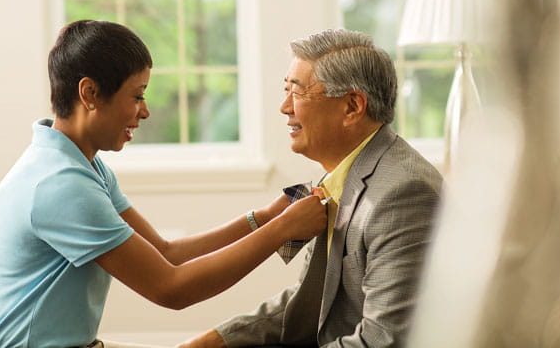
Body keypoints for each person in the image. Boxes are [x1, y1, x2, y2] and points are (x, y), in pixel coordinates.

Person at [0, 20, 327, 348]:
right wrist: (282, 230)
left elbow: (167, 253)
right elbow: (171, 289)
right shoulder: (57, 184)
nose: (144, 111)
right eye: (136, 96)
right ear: (89, 93)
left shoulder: (80, 164)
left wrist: (265, 218)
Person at [181, 29, 443, 348]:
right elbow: (311, 301)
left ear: (352, 107)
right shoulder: (337, 178)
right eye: (285, 90)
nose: (284, 107)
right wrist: (214, 341)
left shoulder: (403, 193)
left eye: (296, 92)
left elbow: (382, 340)